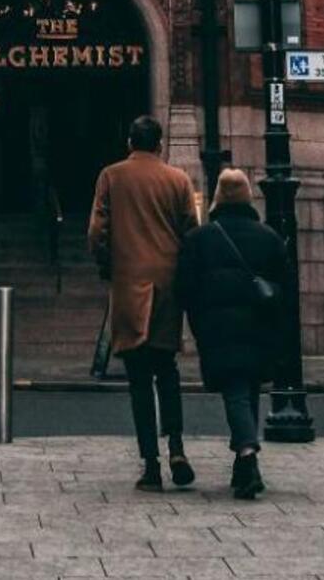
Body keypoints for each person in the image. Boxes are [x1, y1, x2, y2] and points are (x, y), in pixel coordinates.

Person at [88, 114, 198, 490]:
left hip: (129, 283)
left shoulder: (111, 176)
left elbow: (97, 232)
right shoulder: (178, 179)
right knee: (166, 368)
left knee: (138, 378)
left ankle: (151, 465)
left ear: (130, 144)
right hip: (168, 285)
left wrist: (109, 266)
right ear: (160, 145)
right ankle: (177, 447)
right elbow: (191, 233)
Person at [176, 168, 287, 500]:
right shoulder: (269, 237)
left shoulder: (200, 238)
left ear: (218, 198)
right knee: (247, 388)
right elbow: (286, 287)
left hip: (218, 327)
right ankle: (244, 465)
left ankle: (246, 457)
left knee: (237, 390)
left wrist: (198, 322)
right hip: (258, 327)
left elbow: (185, 287)